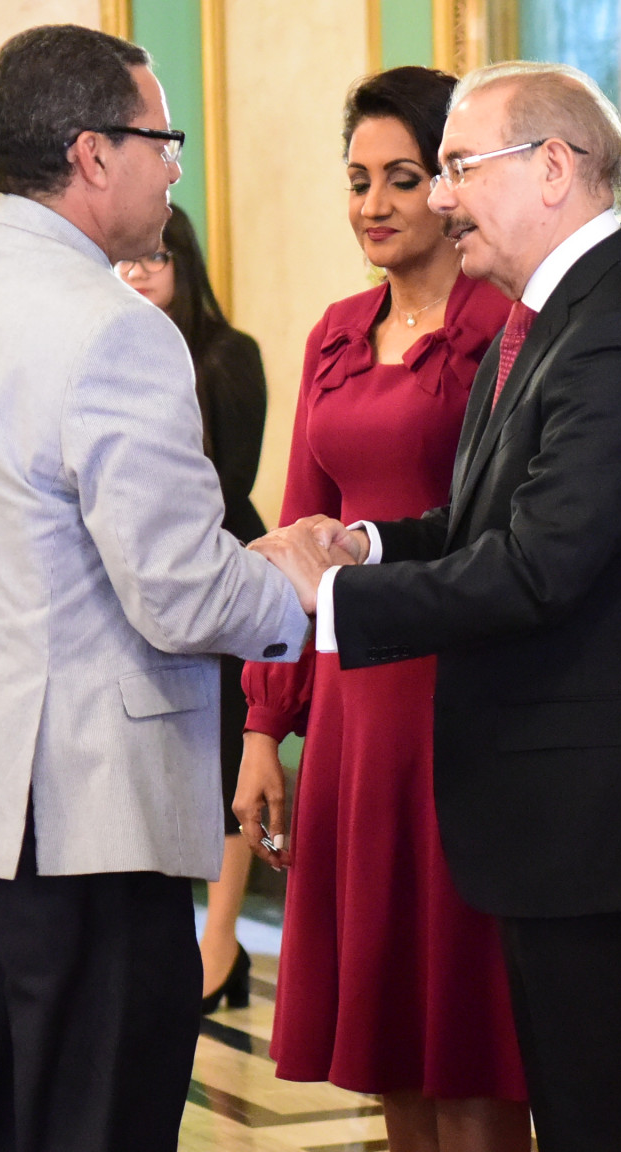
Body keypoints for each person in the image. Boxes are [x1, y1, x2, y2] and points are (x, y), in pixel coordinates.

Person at [248, 62, 621, 1151]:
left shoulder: (617, 331)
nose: (441, 197)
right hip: (564, 822)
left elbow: (534, 569)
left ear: (553, 167)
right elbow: (483, 522)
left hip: (604, 825)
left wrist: (339, 597)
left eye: (460, 168)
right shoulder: (560, 316)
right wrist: (365, 542)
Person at [0, 24, 314, 1152]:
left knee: (6, 1118)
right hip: (79, 818)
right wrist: (299, 587)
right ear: (91, 153)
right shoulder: (115, 328)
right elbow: (180, 595)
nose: (173, 166)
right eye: (161, 139)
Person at [235, 66, 528, 1151]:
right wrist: (264, 727)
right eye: (358, 180)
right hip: (354, 713)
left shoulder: (506, 328)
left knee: (469, 1027)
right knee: (388, 1026)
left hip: (463, 704)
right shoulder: (335, 331)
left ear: (452, 183)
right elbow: (298, 531)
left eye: (403, 178)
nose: (375, 203)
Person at [115, 203, 267, 1013]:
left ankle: (221, 942)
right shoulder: (112, 348)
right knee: (163, 764)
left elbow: (229, 480)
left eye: (155, 259)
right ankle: (179, 943)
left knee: (223, 762)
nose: (138, 273)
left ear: (184, 265)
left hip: (218, 566)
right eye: (128, 261)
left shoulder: (226, 354)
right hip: (136, 576)